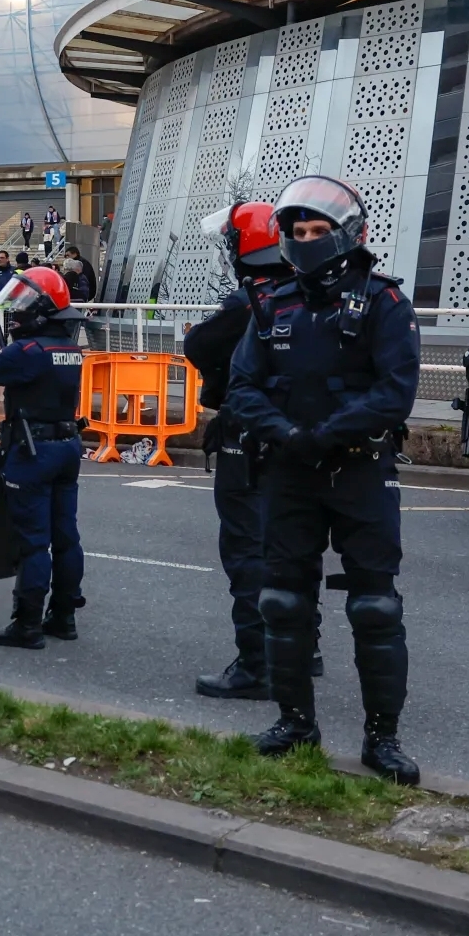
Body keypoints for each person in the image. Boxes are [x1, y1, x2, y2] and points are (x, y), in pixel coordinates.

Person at [227, 175, 421, 786]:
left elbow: (395, 393)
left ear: (347, 234)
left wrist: (327, 433)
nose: (306, 241)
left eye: (317, 231)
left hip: (360, 471)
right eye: (297, 231)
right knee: (282, 600)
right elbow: (242, 388)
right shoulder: (272, 305)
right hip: (288, 474)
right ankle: (295, 724)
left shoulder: (385, 303)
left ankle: (382, 738)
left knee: (375, 606)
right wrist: (287, 435)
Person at [184, 202, 297, 700]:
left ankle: (257, 663)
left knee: (248, 551)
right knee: (291, 548)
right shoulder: (303, 295)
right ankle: (300, 647)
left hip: (247, 443)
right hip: (293, 440)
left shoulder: (247, 303)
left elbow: (198, 347)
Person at [0, 266, 86, 648]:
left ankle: (28, 623)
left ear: (42, 307)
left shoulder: (30, 352)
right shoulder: (69, 349)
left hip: (33, 450)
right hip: (67, 446)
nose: (17, 312)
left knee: (33, 541)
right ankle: (63, 615)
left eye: (23, 303)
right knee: (65, 537)